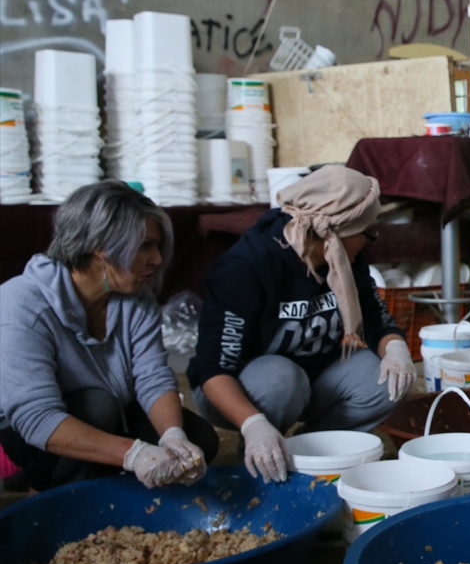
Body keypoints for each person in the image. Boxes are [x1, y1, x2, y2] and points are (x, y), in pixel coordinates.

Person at [188, 165, 416, 483]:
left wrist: (397, 350)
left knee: (386, 381)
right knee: (281, 378)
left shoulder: (343, 255)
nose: (369, 240)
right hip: (242, 389)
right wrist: (254, 424)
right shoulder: (245, 268)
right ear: (333, 232)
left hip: (313, 375)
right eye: (366, 232)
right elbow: (213, 371)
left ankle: (310, 450)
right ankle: (257, 452)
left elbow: (377, 320)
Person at [0, 182, 217, 492]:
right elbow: (36, 416)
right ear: (102, 248)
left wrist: (173, 437)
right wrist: (134, 454)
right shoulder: (21, 304)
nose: (156, 259)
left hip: (109, 410)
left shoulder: (136, 300)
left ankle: (112, 483)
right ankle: (48, 492)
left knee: (198, 439)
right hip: (27, 433)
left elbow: (152, 377)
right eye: (145, 246)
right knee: (97, 404)